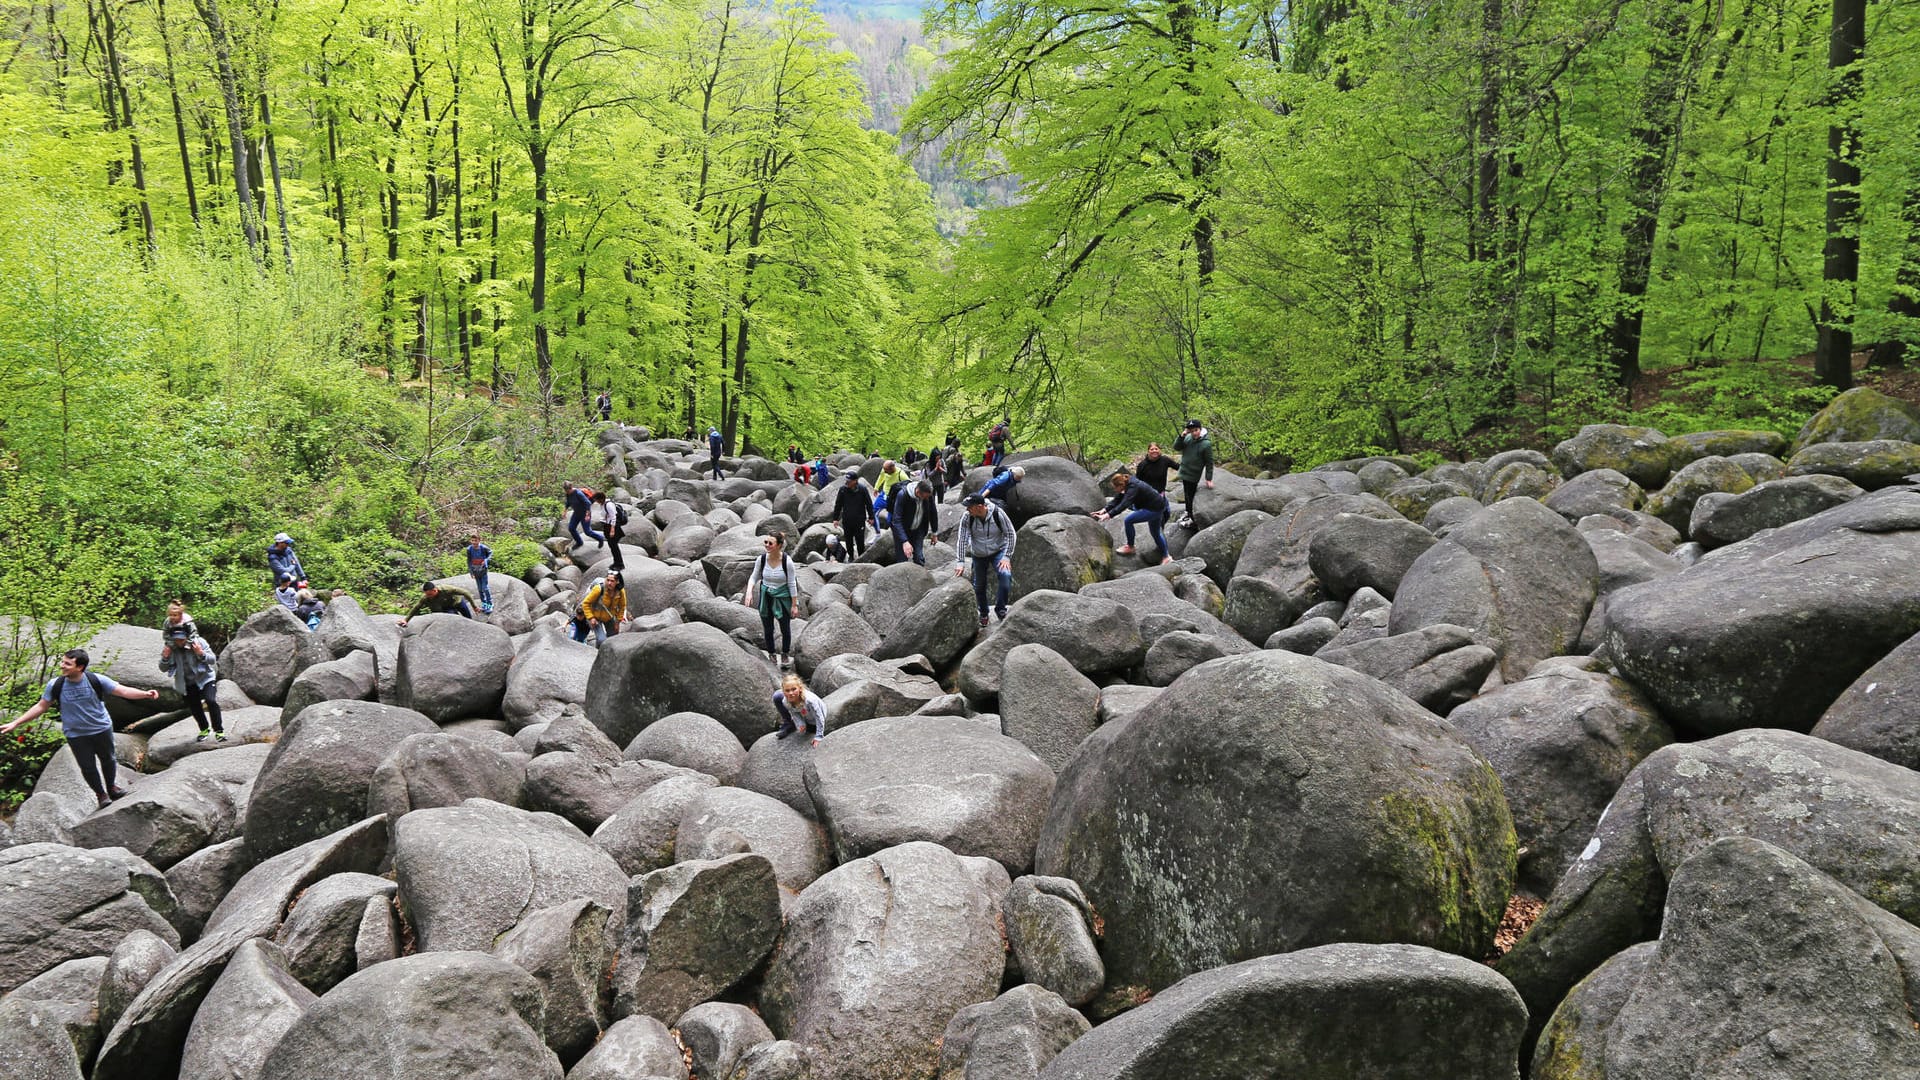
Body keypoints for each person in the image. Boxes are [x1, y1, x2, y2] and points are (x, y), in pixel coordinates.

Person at [2, 648, 158, 808]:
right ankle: (101, 794)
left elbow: (123, 691)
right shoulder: (56, 684)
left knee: (108, 759)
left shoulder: (95, 680)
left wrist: (145, 694)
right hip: (76, 734)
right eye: (63, 662)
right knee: (87, 766)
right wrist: (16, 723)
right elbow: (41, 706)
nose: (62, 665)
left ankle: (112, 787)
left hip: (101, 728)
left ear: (80, 667)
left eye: (67, 664)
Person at [159, 602, 224, 742]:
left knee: (211, 701)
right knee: (194, 707)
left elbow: (212, 660)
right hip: (186, 682)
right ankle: (204, 729)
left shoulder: (198, 642)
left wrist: (200, 654)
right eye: (177, 639)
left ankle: (219, 731)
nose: (179, 641)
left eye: (181, 639)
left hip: (204, 678)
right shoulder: (171, 648)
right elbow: (162, 668)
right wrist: (165, 657)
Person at [954, 493, 1017, 626]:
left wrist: (1006, 557)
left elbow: (1011, 534)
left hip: (998, 551)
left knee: (1005, 576)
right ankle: (983, 612)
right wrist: (960, 562)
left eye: (969, 507)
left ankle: (1001, 609)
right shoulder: (967, 517)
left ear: (979, 507)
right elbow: (962, 539)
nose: (967, 510)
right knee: (979, 586)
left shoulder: (997, 514)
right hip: (978, 554)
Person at [1093, 467, 1172, 564]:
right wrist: (1104, 510)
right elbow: (1117, 499)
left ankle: (1130, 547)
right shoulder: (1127, 484)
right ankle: (1166, 556)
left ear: (1120, 485)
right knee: (1155, 533)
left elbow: (1124, 504)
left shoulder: (1133, 487)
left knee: (1129, 520)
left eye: (1115, 488)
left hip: (1154, 509)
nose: (1115, 490)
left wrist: (1109, 515)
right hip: (1156, 506)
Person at [744, 533, 797, 667]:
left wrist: (794, 605)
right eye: (765, 542)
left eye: (770, 543)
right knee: (768, 628)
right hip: (766, 595)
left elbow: (792, 583)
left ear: (779, 545)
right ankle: (772, 654)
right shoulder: (761, 559)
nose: (767, 545)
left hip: (783, 596)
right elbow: (753, 577)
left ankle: (785, 653)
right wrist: (749, 591)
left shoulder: (787, 562)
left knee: (785, 628)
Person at [1173, 419, 1217, 528]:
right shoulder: (1187, 438)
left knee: (1191, 495)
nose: (1194, 433)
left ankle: (1192, 517)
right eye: (1191, 431)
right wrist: (1182, 436)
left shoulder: (1206, 444)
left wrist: (1208, 478)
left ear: (1200, 429)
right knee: (1187, 494)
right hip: (1184, 471)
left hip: (1194, 474)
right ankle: (1188, 512)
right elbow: (1176, 447)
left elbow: (1209, 462)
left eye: (1196, 430)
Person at [891, 479, 938, 566]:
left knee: (919, 557)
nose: (927, 499)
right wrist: (905, 541)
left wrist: (934, 532)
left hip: (919, 529)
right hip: (903, 530)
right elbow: (896, 520)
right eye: (925, 497)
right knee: (902, 561)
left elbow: (933, 512)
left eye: (928, 497)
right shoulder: (903, 495)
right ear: (918, 492)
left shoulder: (928, 495)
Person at [772, 673, 826, 746]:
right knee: (777, 696)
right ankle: (789, 724)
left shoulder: (810, 701)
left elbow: (819, 717)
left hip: (814, 717)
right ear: (783, 692)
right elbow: (794, 712)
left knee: (812, 726)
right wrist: (800, 724)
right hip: (803, 713)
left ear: (800, 688)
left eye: (794, 689)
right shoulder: (785, 701)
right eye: (787, 691)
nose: (791, 693)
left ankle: (807, 725)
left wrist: (819, 736)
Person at [575, 570, 628, 644]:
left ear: (617, 582)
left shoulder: (620, 591)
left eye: (612, 581)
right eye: (608, 580)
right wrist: (591, 618)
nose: (609, 583)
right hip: (595, 616)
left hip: (609, 616)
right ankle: (597, 653)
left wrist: (617, 622)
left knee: (613, 638)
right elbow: (586, 603)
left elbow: (622, 606)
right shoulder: (599, 589)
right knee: (601, 639)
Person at [834, 475, 877, 558]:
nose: (846, 482)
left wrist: (871, 517)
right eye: (846, 480)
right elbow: (838, 504)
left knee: (860, 540)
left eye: (849, 481)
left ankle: (861, 557)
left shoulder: (862, 489)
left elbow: (869, 504)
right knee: (848, 540)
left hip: (859, 520)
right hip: (847, 519)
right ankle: (850, 556)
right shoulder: (843, 489)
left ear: (855, 481)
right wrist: (835, 518)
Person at [399, 580, 476, 626]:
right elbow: (416, 607)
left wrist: (474, 606)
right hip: (447, 608)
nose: (428, 596)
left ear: (435, 590)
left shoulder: (447, 589)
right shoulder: (426, 598)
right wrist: (406, 620)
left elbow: (465, 592)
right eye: (426, 594)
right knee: (454, 620)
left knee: (469, 619)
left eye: (430, 594)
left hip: (457, 602)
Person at [562, 481, 604, 549]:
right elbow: (568, 502)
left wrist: (587, 514)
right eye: (565, 490)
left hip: (585, 513)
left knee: (587, 531)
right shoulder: (568, 494)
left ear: (571, 488)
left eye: (567, 490)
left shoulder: (578, 493)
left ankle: (600, 538)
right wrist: (565, 511)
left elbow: (588, 503)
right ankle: (579, 542)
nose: (567, 492)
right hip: (576, 513)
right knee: (571, 528)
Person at [591, 492, 626, 571]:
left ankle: (620, 564)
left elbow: (614, 517)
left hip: (612, 527)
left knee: (614, 546)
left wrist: (612, 530)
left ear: (601, 499)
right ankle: (616, 562)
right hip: (607, 526)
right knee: (612, 546)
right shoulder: (603, 504)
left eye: (597, 500)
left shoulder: (608, 505)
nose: (596, 502)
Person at [465, 534, 495, 613]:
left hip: (483, 570)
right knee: (480, 589)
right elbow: (469, 561)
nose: (474, 542)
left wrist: (486, 561)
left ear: (479, 540)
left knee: (485, 588)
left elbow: (491, 553)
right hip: (475, 571)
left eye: (476, 541)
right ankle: (484, 604)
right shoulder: (469, 549)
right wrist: (471, 572)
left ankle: (490, 604)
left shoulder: (483, 548)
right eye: (472, 541)